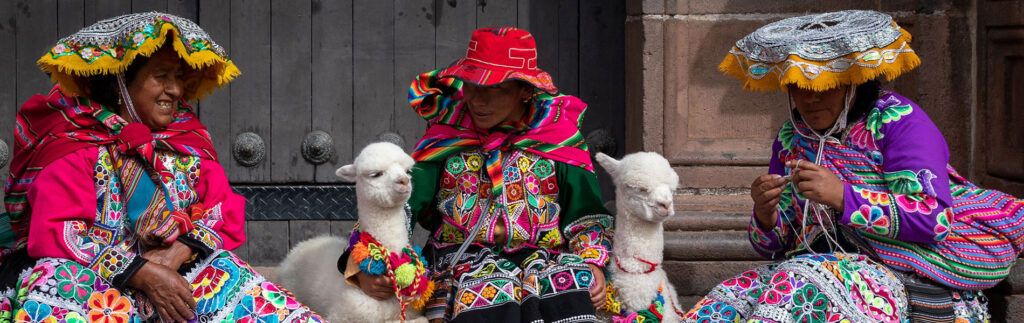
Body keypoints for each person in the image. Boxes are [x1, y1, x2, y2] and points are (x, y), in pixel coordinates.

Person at [684, 10, 1022, 322]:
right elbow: (776, 247)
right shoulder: (792, 139)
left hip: (908, 272)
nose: (811, 98)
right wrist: (765, 213)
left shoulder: (899, 122)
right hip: (818, 264)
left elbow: (934, 219)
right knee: (732, 299)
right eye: (800, 87)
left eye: (824, 86)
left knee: (798, 288)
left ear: (854, 84)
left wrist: (843, 196)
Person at [0, 12, 321, 322]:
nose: (176, 91)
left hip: (177, 273)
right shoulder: (73, 145)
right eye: (161, 76)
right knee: (55, 281)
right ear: (120, 81)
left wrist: (175, 255)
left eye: (179, 77)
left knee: (232, 276)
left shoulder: (187, 141)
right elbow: (59, 230)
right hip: (95, 281)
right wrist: (139, 272)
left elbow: (221, 210)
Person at [338, 27, 613, 322]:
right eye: (471, 86)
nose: (478, 100)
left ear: (524, 90)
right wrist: (366, 267)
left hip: (546, 259)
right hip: (462, 262)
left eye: (495, 89)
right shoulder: (446, 138)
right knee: (490, 291)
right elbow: (395, 205)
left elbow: (587, 216)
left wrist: (592, 262)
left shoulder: (559, 138)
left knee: (569, 286)